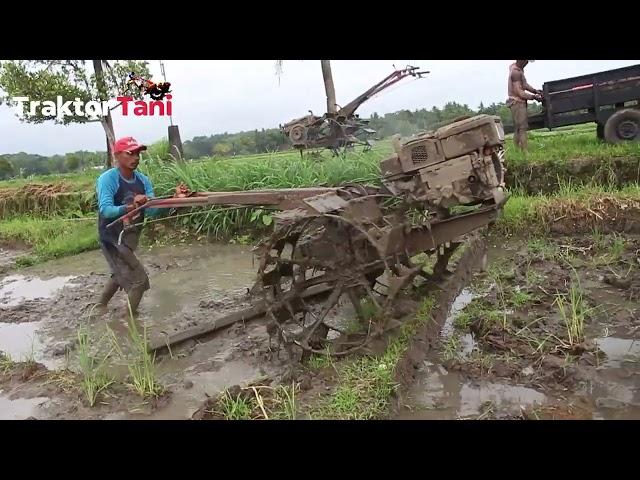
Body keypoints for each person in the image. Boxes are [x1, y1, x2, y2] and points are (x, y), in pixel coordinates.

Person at [94, 136, 161, 317]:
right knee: (139, 281)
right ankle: (129, 320)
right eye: (130, 153)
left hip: (130, 237)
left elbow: (153, 211)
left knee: (119, 273)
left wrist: (177, 199)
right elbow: (106, 210)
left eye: (138, 153)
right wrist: (132, 205)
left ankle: (99, 307)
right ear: (117, 156)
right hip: (112, 239)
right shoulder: (108, 179)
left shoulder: (143, 180)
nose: (136, 157)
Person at [507, 60, 543, 150]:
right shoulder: (516, 72)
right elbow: (520, 92)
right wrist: (534, 97)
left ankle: (518, 151)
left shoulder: (517, 68)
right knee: (522, 128)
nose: (527, 63)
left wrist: (535, 91)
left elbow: (524, 84)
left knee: (518, 128)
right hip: (517, 102)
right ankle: (525, 152)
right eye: (526, 61)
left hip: (516, 102)